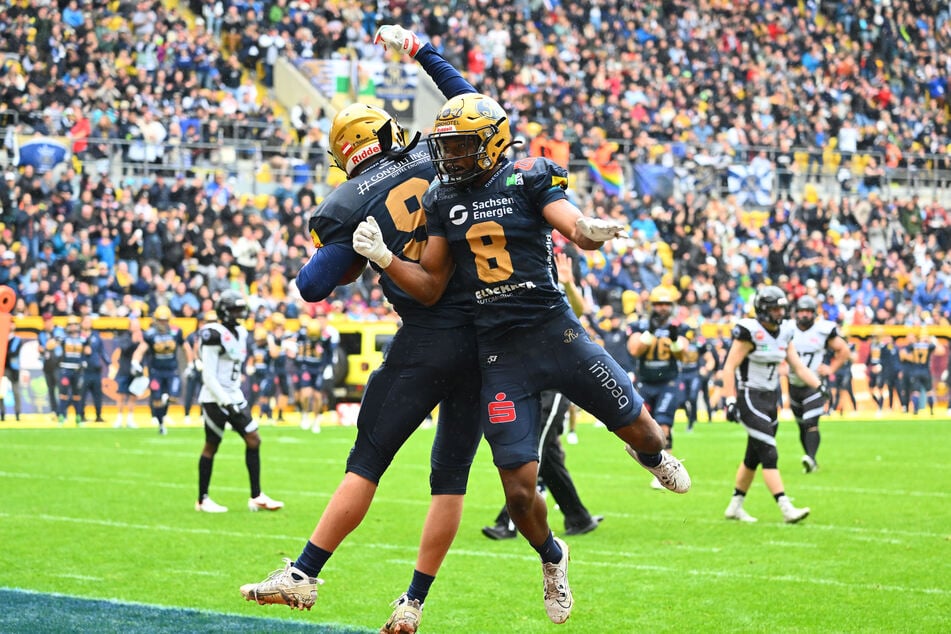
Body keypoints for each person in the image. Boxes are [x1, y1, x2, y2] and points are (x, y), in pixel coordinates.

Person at [353, 91, 690, 625]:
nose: (450, 156)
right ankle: (552, 557)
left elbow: (572, 225)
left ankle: (648, 457)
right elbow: (432, 284)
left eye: (461, 145)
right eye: (447, 146)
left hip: (556, 333)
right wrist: (385, 259)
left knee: (649, 435)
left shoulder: (528, 175)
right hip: (499, 353)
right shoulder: (441, 197)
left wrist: (588, 232)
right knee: (517, 492)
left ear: (492, 144)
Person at [240, 25, 485, 634]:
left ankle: (303, 574)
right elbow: (472, 101)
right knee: (450, 477)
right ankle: (413, 602)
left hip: (425, 337)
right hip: (485, 335)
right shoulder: (437, 155)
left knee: (368, 460)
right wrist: (422, 51)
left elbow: (312, 286)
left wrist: (349, 248)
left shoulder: (348, 202)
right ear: (387, 133)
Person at [482, 253, 603, 539]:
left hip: (555, 383)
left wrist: (568, 283)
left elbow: (579, 310)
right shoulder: (519, 290)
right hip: (529, 379)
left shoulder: (550, 289)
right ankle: (578, 518)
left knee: (531, 449)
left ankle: (509, 521)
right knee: (549, 458)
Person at [720, 286, 824, 524]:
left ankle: (735, 506)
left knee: (753, 456)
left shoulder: (785, 332)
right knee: (769, 452)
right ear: (763, 309)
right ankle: (786, 508)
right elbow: (729, 367)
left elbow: (798, 367)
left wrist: (819, 386)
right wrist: (730, 400)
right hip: (750, 397)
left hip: (770, 399)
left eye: (781, 308)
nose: (780, 313)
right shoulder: (750, 332)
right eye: (775, 308)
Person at [195, 289, 283, 513]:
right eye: (235, 310)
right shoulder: (213, 334)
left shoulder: (242, 332)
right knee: (211, 444)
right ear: (224, 312)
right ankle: (202, 499)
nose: (239, 314)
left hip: (234, 395)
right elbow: (208, 375)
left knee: (254, 439)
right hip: (215, 398)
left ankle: (256, 496)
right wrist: (225, 402)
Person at [627, 286, 689, 489]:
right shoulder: (639, 325)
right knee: (645, 427)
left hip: (667, 382)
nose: (662, 308)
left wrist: (674, 340)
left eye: (666, 304)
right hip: (645, 382)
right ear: (651, 305)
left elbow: (683, 355)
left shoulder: (679, 327)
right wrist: (650, 333)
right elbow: (634, 349)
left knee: (663, 424)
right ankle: (659, 464)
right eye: (658, 304)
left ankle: (665, 471)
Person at [788, 296, 850, 473]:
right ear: (796, 313)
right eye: (802, 311)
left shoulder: (822, 330)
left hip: (814, 384)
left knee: (811, 421)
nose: (805, 315)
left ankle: (810, 457)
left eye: (808, 311)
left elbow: (843, 349)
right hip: (793, 383)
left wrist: (831, 368)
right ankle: (811, 460)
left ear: (814, 313)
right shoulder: (787, 329)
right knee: (801, 425)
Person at [132, 305, 185, 435]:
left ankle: (165, 405)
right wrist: (135, 362)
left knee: (174, 397)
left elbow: (186, 347)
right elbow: (141, 349)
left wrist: (192, 363)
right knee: (156, 399)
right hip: (156, 371)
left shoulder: (176, 332)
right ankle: (161, 423)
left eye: (165, 320)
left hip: (172, 370)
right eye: (161, 320)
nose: (163, 323)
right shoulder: (150, 334)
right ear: (156, 320)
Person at [183, 311, 216, 426]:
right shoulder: (194, 335)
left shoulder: (212, 334)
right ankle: (187, 414)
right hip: (196, 366)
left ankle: (202, 414)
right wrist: (193, 362)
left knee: (205, 392)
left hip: (207, 367)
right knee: (190, 391)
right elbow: (191, 349)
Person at [111, 318, 142, 428]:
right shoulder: (125, 337)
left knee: (133, 395)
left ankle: (130, 418)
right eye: (134, 325)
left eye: (138, 325)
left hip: (136, 371)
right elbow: (124, 349)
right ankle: (119, 418)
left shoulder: (143, 337)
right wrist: (133, 341)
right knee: (121, 395)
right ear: (130, 327)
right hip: (124, 370)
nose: (136, 327)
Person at [56, 315, 87, 426]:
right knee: (63, 394)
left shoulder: (83, 339)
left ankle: (78, 417)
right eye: (70, 324)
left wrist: (83, 361)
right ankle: (61, 417)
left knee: (77, 395)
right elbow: (51, 346)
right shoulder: (64, 338)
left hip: (77, 370)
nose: (73, 327)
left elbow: (87, 351)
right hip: (66, 369)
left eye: (75, 324)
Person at [80, 316, 109, 423]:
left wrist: (109, 363)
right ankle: (81, 415)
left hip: (95, 369)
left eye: (89, 321)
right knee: (82, 394)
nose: (87, 323)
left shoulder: (96, 336)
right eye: (85, 321)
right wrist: (83, 350)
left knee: (97, 394)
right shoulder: (78, 336)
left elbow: (102, 351)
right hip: (83, 370)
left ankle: (98, 415)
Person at [37, 313, 63, 418]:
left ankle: (62, 411)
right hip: (47, 365)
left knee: (61, 388)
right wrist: (42, 349)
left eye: (48, 320)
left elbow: (56, 343)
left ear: (52, 320)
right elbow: (41, 348)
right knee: (51, 389)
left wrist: (47, 346)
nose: (46, 323)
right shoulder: (41, 334)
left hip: (58, 364)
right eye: (45, 321)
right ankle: (54, 411)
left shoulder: (58, 330)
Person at [1, 330, 23, 422]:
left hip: (13, 369)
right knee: (1, 392)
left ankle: (17, 413)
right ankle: (2, 413)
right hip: (3, 368)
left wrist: (4, 350)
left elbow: (13, 352)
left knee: (16, 391)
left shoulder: (16, 340)